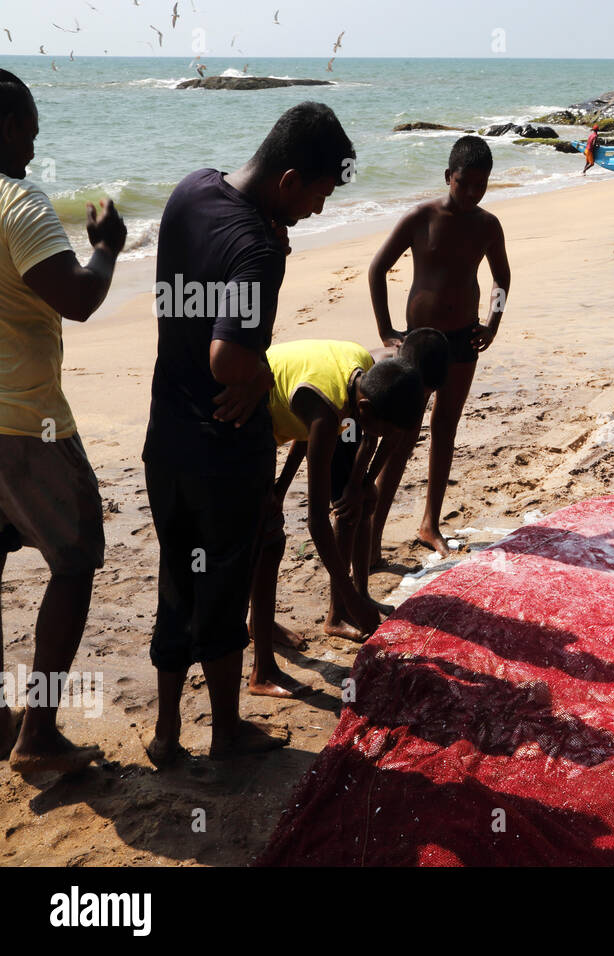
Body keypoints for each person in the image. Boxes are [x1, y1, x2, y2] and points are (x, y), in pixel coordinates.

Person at [143, 102, 355, 766]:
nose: (318, 210)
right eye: (318, 194)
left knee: (176, 577)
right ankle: (228, 731)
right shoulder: (260, 250)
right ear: (290, 180)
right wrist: (262, 375)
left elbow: (199, 276)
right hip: (223, 445)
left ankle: (168, 732)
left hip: (165, 434)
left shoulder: (190, 189)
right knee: (224, 586)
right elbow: (226, 359)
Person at [0, 70, 126, 775]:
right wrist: (106, 246)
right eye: (31, 127)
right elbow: (76, 298)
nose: (36, 141)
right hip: (27, 424)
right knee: (75, 562)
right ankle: (38, 732)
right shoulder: (19, 203)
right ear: (12, 124)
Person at [369, 135, 510, 557]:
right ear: (448, 176)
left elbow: (501, 279)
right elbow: (377, 270)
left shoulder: (487, 226)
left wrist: (493, 323)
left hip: (464, 338)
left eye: (480, 185)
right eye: (464, 183)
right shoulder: (421, 217)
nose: (471, 193)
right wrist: (386, 331)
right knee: (402, 432)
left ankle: (430, 523)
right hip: (419, 343)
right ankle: (372, 535)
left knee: (445, 426)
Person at [250, 344, 424, 673]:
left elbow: (306, 432)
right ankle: (261, 661)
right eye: (381, 428)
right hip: (244, 419)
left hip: (280, 413)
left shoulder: (362, 368)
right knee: (268, 538)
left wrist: (283, 487)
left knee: (269, 527)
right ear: (364, 410)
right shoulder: (327, 413)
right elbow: (316, 521)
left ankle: (259, 624)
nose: (375, 438)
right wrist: (352, 597)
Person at [365, 328, 451, 570]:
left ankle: (370, 552)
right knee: (351, 499)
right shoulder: (381, 379)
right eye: (423, 393)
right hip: (341, 423)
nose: (424, 398)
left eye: (429, 394)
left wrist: (369, 479)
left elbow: (392, 440)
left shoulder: (407, 382)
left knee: (363, 492)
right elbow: (366, 436)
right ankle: (358, 565)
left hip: (363, 425)